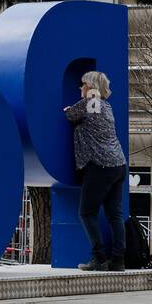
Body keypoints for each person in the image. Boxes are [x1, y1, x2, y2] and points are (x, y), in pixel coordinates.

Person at [64, 70, 129, 271]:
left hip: (101, 166)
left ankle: (98, 257)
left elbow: (70, 115)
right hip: (119, 164)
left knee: (86, 212)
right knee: (114, 215)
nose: (79, 88)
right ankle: (118, 260)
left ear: (91, 87)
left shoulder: (90, 103)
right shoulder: (107, 106)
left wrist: (68, 109)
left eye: (82, 84)